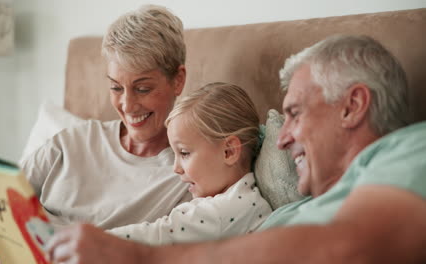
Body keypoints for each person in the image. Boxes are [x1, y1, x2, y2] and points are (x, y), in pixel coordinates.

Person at [46, 35, 426, 263]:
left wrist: (136, 256)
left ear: (353, 105)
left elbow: (349, 249)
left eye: (294, 113)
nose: (280, 138)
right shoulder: (295, 212)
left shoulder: (410, 152)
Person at [21, 5, 192, 230]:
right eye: (116, 87)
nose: (127, 105)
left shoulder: (188, 174)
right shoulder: (70, 143)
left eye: (143, 89)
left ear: (178, 81)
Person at [108, 82, 272, 245]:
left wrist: (96, 240)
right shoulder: (236, 201)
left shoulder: (229, 209)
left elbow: (159, 234)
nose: (176, 168)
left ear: (229, 151)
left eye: (184, 153)